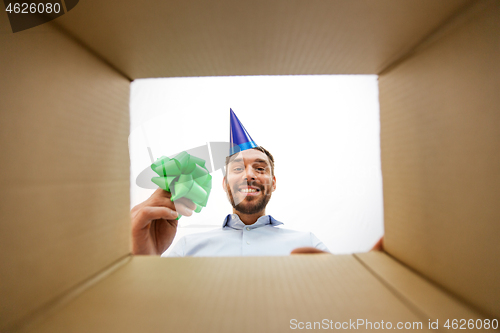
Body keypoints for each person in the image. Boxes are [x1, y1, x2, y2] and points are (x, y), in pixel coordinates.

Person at [131, 110, 331, 256]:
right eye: (237, 168)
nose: (248, 175)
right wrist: (145, 261)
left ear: (274, 182)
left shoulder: (308, 244)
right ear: (225, 184)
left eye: (260, 168)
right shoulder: (187, 248)